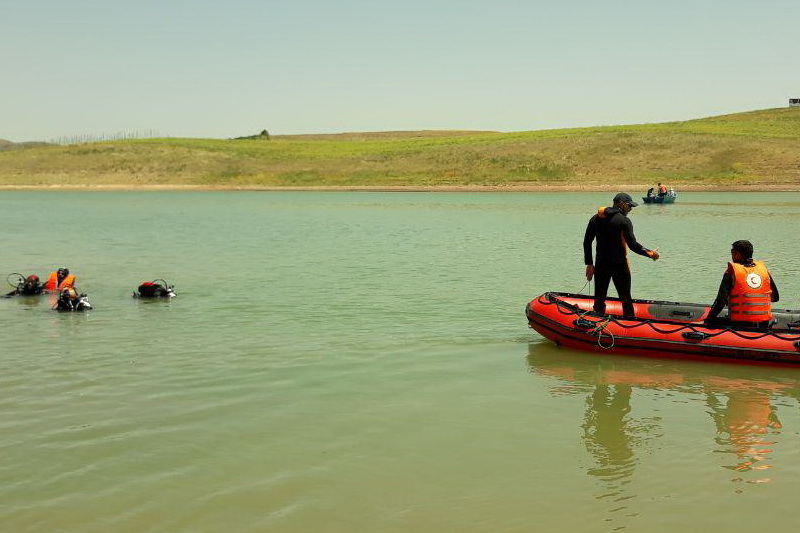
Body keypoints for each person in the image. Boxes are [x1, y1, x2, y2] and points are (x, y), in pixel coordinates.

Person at [583, 192, 660, 317]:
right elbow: (633, 245)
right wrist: (651, 253)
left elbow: (587, 241)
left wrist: (589, 263)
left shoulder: (596, 218)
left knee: (599, 299)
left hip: (601, 265)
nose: (630, 209)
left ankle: (596, 324)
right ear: (622, 204)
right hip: (620, 266)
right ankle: (629, 326)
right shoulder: (624, 221)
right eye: (629, 206)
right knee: (625, 299)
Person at [705, 240, 778, 329]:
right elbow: (776, 297)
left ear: (737, 254)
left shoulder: (731, 272)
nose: (732, 255)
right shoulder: (763, 271)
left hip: (740, 324)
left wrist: (708, 320)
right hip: (764, 323)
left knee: (712, 321)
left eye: (732, 252)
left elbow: (720, 301)